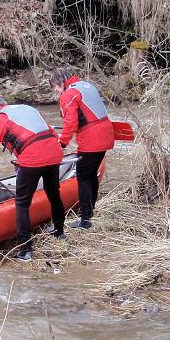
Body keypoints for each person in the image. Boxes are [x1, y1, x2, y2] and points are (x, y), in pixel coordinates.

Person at [0, 94, 65, 262]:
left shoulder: (0, 119)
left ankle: (26, 251)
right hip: (54, 153)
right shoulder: (26, 108)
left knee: (22, 203)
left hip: (33, 159)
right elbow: (50, 133)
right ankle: (59, 232)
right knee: (53, 193)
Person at [49, 67, 114, 230]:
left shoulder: (68, 94)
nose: (56, 90)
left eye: (55, 86)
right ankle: (90, 212)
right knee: (91, 175)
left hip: (92, 140)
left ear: (61, 82)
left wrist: (61, 144)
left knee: (83, 176)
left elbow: (70, 123)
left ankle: (85, 220)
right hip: (106, 134)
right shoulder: (87, 86)